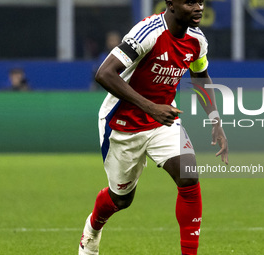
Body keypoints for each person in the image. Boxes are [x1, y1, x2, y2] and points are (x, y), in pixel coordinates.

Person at [79, 1, 228, 254]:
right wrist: (150, 107)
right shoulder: (147, 33)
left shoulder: (197, 40)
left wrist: (215, 119)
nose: (198, 7)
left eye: (200, 1)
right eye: (190, 2)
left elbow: (200, 75)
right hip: (122, 124)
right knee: (121, 199)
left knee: (189, 176)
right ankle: (92, 228)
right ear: (171, 4)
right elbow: (104, 73)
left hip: (164, 121)